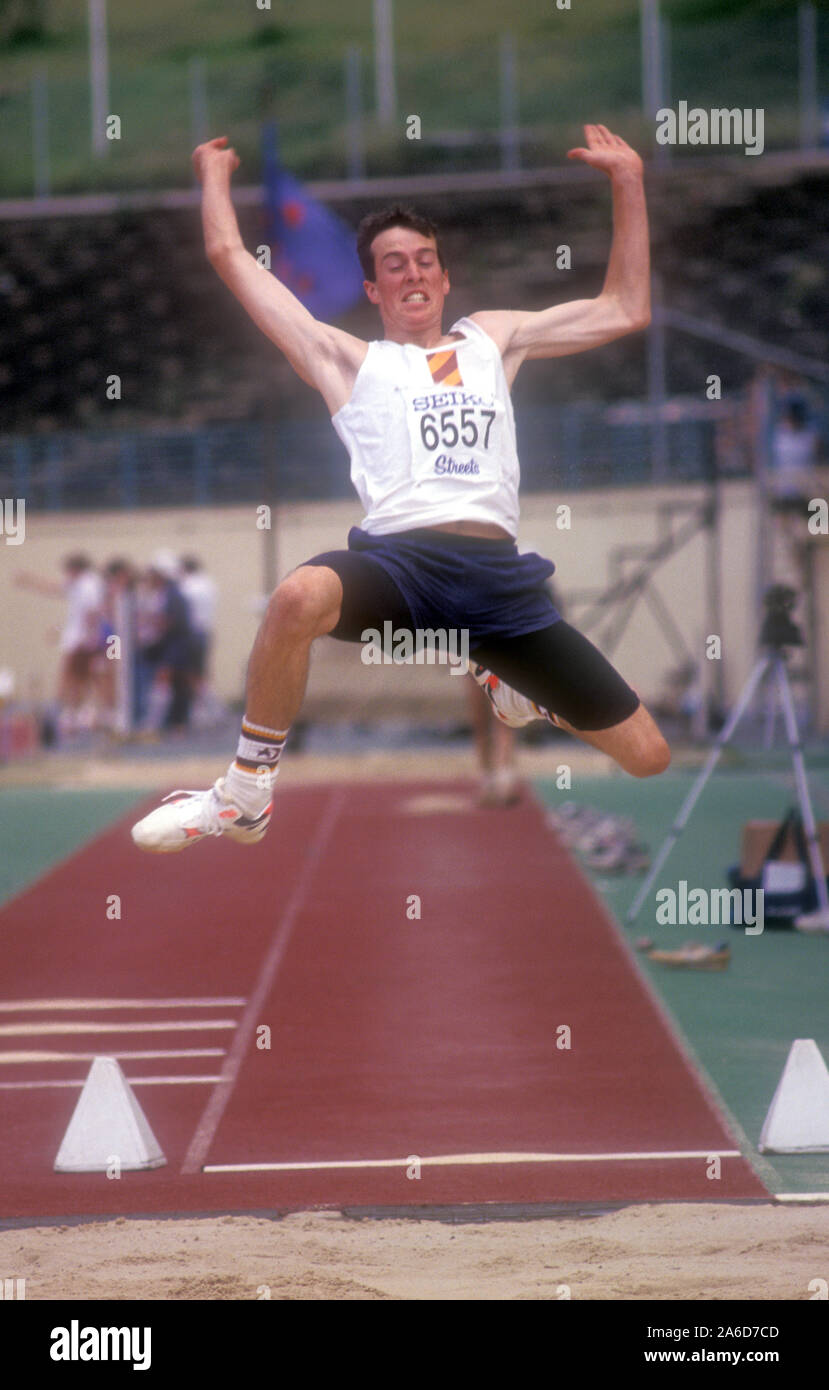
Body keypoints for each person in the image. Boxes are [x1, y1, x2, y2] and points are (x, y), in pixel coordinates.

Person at [132, 125, 670, 853]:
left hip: (499, 583)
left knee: (647, 756)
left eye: (425, 261)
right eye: (394, 264)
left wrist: (628, 180)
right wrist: (215, 177)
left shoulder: (491, 339)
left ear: (445, 278)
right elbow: (230, 257)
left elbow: (625, 308)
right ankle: (246, 791)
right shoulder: (345, 360)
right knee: (296, 597)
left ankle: (516, 692)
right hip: (399, 569)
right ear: (372, 287)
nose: (412, 273)